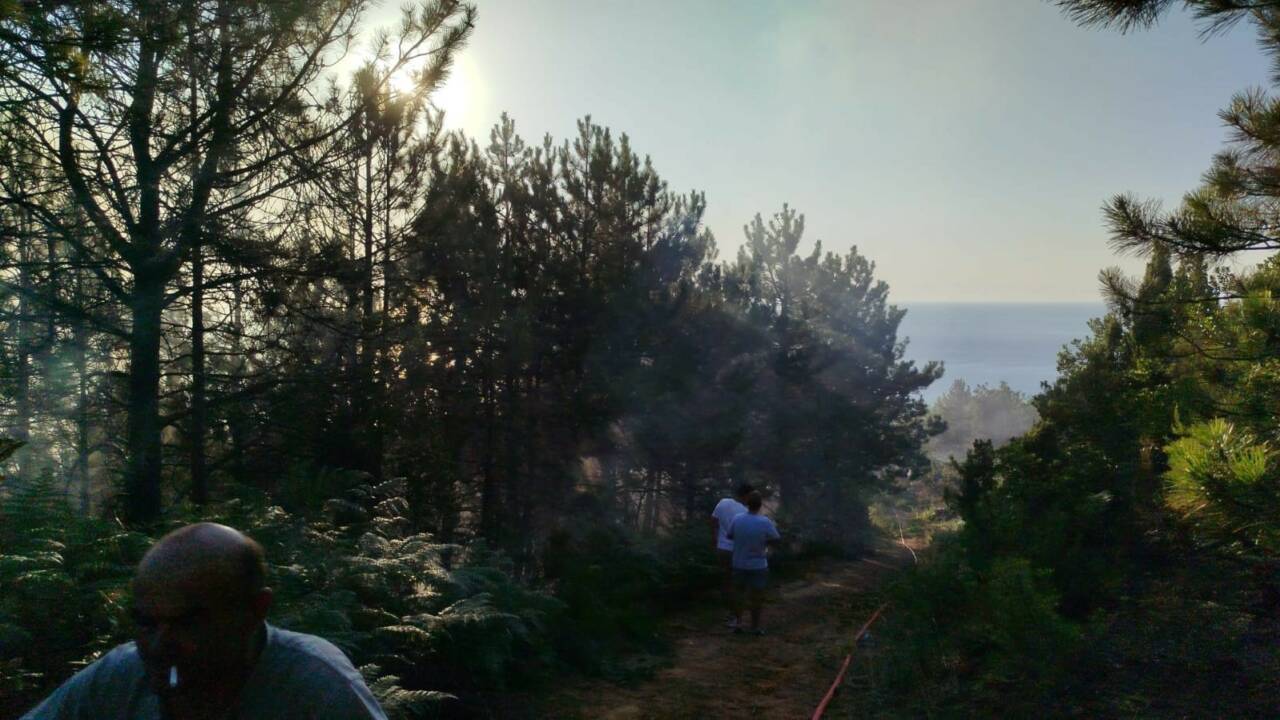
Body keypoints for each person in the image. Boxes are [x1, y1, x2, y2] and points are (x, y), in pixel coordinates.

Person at [21, 522, 388, 720]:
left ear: (256, 609)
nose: (159, 645)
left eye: (189, 623)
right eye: (147, 623)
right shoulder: (120, 676)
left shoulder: (316, 688)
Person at [726, 490, 780, 636]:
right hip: (758, 565)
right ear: (760, 505)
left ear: (747, 504)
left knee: (739, 595)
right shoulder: (764, 522)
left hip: (739, 563)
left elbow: (729, 535)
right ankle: (755, 627)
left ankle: (738, 624)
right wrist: (764, 543)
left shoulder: (737, 519)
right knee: (756, 598)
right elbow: (776, 539)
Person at [710, 482, 753, 627]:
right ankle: (737, 617)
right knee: (738, 584)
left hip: (722, 549)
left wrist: (715, 540)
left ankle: (731, 614)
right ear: (746, 495)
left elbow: (714, 521)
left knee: (726, 583)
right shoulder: (746, 511)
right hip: (738, 551)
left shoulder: (723, 502)